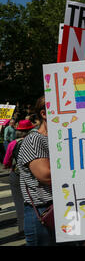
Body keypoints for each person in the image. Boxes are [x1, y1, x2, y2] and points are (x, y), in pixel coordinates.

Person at [16, 96, 55, 246]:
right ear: (44, 114)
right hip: (43, 213)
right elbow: (45, 176)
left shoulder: (58, 138)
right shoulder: (34, 139)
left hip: (63, 209)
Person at [3, 119, 35, 235]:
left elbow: (6, 162)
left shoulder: (13, 143)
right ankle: (34, 225)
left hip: (16, 174)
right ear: (30, 130)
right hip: (32, 175)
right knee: (32, 201)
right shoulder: (33, 141)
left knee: (18, 202)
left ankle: (22, 227)